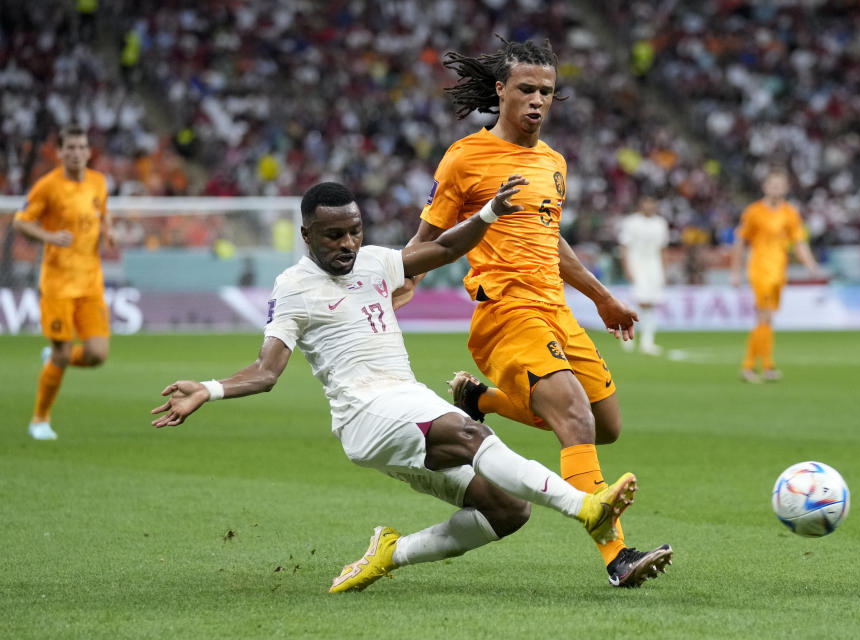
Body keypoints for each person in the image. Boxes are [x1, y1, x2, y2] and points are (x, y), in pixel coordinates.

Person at [150, 181, 672, 593]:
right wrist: (210, 389)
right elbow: (266, 372)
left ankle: (389, 554)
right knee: (469, 435)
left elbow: (444, 247)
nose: (348, 243)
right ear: (307, 236)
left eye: (354, 230)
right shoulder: (293, 287)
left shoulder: (376, 260)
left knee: (509, 511)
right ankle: (587, 507)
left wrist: (488, 214)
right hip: (364, 415)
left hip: (407, 399)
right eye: (334, 235)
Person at [404, 38, 673, 588]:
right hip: (505, 313)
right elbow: (427, 236)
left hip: (556, 310)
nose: (536, 101)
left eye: (546, 92)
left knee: (605, 426)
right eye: (526, 89)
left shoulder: (553, 163)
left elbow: (550, 240)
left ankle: (481, 400)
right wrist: (400, 279)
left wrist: (600, 296)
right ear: (501, 90)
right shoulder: (465, 156)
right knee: (573, 418)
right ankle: (616, 557)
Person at [13, 124, 114, 440]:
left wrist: (108, 232)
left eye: (81, 147)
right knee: (62, 349)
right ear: (59, 153)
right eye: (69, 147)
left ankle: (55, 358)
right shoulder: (47, 187)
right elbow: (20, 221)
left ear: (88, 151)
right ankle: (39, 420)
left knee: (97, 354)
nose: (76, 152)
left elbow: (102, 213)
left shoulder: (98, 182)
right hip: (57, 284)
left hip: (90, 283)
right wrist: (50, 237)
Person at [730, 168, 820, 383]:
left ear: (786, 188)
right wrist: (735, 272)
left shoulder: (790, 212)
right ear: (765, 187)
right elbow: (741, 242)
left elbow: (798, 241)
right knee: (764, 316)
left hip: (779, 270)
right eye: (772, 185)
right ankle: (750, 367)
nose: (776, 189)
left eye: (780, 185)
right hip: (760, 269)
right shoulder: (753, 212)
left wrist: (810, 263)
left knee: (767, 319)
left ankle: (765, 367)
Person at [618, 195, 669, 355]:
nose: (649, 206)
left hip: (654, 266)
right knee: (639, 302)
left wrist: (664, 269)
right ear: (641, 204)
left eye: (652, 203)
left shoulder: (661, 223)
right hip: (637, 264)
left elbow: (662, 249)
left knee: (652, 302)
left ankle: (647, 342)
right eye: (646, 202)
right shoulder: (631, 222)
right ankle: (627, 335)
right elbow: (624, 247)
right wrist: (627, 267)